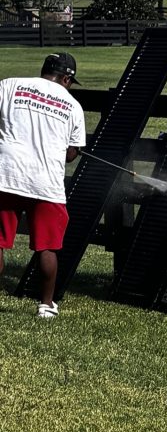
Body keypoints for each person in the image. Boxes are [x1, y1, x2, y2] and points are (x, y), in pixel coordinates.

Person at [0, 52, 86, 319]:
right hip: (46, 183)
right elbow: (70, 155)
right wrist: (72, 150)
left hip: (6, 175)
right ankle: (46, 306)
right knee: (46, 246)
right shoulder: (72, 106)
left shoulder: (9, 85)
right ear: (66, 78)